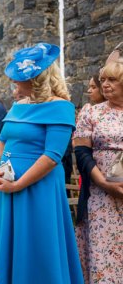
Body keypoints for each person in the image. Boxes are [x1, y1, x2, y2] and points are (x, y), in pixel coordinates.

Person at [0, 43, 83, 283]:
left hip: (37, 188)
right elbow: (1, 141)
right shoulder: (19, 105)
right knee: (11, 243)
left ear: (36, 79)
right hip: (7, 185)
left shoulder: (61, 106)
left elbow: (52, 156)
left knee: (37, 244)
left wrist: (20, 184)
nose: (15, 83)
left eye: (19, 80)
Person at [73, 61, 123, 283]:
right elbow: (82, 154)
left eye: (112, 80)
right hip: (100, 197)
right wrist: (104, 183)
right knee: (103, 260)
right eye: (103, 80)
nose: (106, 85)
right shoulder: (91, 113)